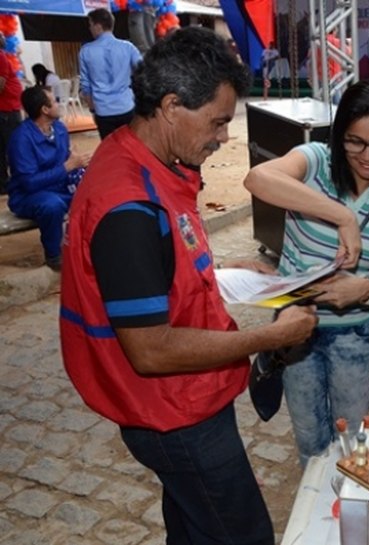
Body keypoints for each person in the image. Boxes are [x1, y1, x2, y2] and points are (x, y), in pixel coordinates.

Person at [60, 28, 318, 544]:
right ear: (173, 106)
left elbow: (154, 270)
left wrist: (221, 271)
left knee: (195, 527)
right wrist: (269, 337)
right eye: (219, 121)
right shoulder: (129, 204)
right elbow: (151, 350)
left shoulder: (142, 159)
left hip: (179, 403)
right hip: (175, 412)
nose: (224, 136)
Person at [243, 80, 369, 465]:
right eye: (354, 141)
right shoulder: (315, 161)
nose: (367, 156)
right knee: (310, 441)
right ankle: (316, 514)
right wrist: (342, 215)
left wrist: (366, 289)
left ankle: (344, 514)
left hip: (356, 333)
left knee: (351, 441)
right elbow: (258, 178)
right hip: (295, 327)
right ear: (338, 136)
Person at [7, 86, 89, 271]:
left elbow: (66, 161)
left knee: (93, 192)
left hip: (59, 187)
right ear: (44, 110)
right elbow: (29, 183)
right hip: (28, 196)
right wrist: (67, 166)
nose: (59, 104)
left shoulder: (59, 128)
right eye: (54, 101)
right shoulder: (21, 139)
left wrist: (78, 163)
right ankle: (54, 256)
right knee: (52, 205)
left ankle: (85, 246)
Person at [79, 8, 143, 140]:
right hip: (127, 107)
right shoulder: (128, 47)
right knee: (131, 146)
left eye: (90, 25)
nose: (90, 29)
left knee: (110, 151)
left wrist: (92, 109)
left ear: (98, 26)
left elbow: (86, 86)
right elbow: (143, 72)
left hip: (103, 110)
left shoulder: (85, 51)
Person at [0, 33, 23, 195]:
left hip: (8, 109)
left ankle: (7, 183)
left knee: (8, 148)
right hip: (7, 110)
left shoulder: (1, 57)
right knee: (12, 149)